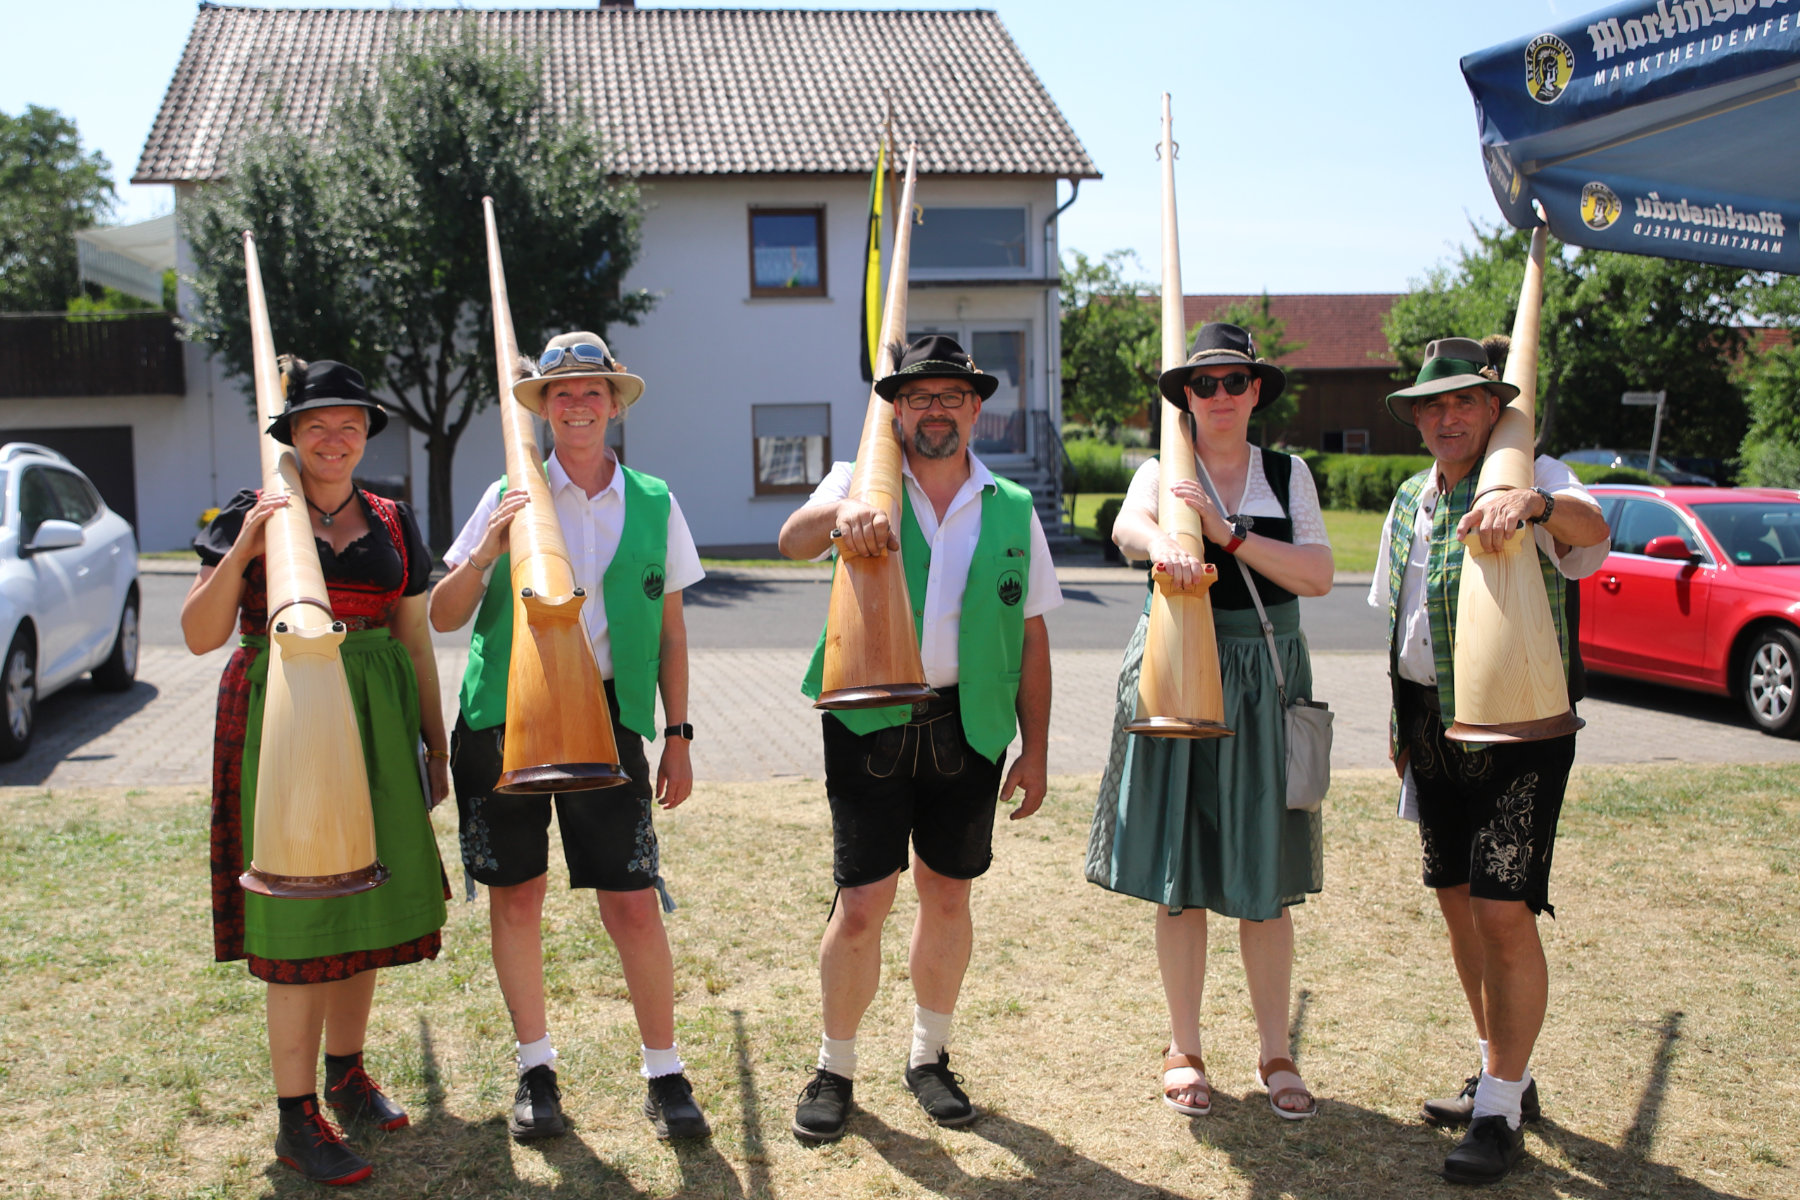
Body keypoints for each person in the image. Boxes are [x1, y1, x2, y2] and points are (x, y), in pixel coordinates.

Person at [428, 332, 711, 1143]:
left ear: (615, 404)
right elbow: (443, 615)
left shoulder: (655, 500)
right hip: (503, 718)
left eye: (593, 391)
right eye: (562, 393)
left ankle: (664, 1072)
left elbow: (672, 631)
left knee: (632, 902)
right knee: (518, 897)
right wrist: (485, 550)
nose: (579, 404)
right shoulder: (508, 493)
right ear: (543, 408)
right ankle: (536, 1070)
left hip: (609, 719)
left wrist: (678, 733)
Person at [778, 334, 1062, 1142]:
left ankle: (928, 1057)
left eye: (952, 396)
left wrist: (1037, 750)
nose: (936, 410)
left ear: (976, 409)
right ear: (897, 410)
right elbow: (792, 541)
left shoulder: (1011, 504)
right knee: (863, 902)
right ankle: (835, 1068)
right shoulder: (860, 477)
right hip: (867, 716)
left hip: (969, 725)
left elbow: (1032, 635)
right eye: (919, 396)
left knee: (947, 893)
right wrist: (840, 513)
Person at [182, 358, 449, 1186]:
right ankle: (295, 1118)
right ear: (292, 435)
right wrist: (247, 544)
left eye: (350, 424)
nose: (335, 438)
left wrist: (435, 745)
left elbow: (414, 638)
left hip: (378, 718)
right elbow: (199, 633)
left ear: (367, 434)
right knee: (300, 909)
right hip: (286, 714)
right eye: (317, 425)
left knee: (363, 894)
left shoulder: (393, 519)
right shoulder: (248, 510)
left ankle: (345, 1074)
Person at [1369, 337, 1609, 1185]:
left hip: (1521, 730)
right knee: (1459, 906)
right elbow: (1397, 617)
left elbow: (1593, 533)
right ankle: (1501, 1074)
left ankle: (1500, 1115)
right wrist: (1400, 728)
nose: (1446, 417)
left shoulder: (1534, 475)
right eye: (1431, 405)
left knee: (1504, 912)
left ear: (1492, 407)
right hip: (1430, 726)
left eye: (1463, 401)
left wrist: (1534, 506)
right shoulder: (1410, 497)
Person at [1087, 323, 1334, 1124]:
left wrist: (1228, 536)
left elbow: (1318, 575)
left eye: (1234, 381)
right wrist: (1165, 538)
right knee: (1180, 871)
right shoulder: (1163, 468)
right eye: (1204, 383)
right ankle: (1184, 1048)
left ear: (1256, 390)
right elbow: (1125, 528)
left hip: (1264, 677)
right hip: (1178, 664)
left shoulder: (1287, 474)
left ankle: (1275, 1053)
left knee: (1266, 879)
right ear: (1185, 396)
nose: (1220, 395)